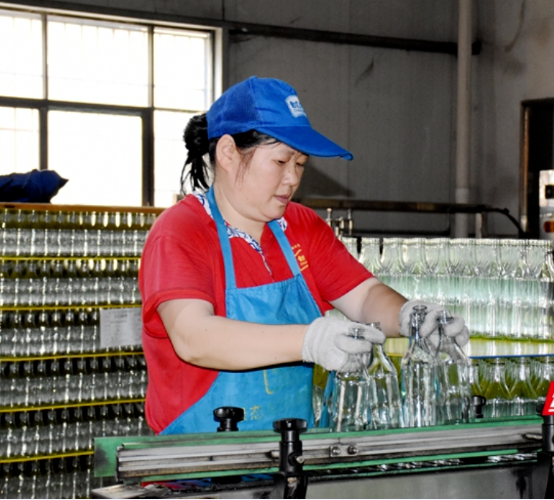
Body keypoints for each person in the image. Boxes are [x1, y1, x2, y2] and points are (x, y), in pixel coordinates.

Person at [139, 76, 469, 434]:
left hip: (292, 449)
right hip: (200, 458)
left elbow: (364, 297)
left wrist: (410, 317)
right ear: (229, 153)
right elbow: (194, 338)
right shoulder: (181, 231)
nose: (292, 179)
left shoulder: (301, 226)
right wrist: (310, 341)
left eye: (300, 164)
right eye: (281, 161)